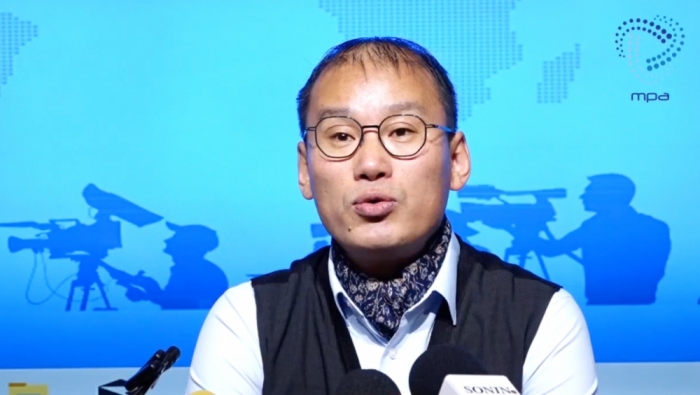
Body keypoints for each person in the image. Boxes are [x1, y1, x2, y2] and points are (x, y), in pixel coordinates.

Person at [186, 37, 597, 395]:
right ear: (304, 170)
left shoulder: (542, 318)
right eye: (340, 136)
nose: (370, 164)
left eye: (401, 131)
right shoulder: (247, 320)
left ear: (456, 160)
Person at [534, 174, 671, 305]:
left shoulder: (651, 227)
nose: (582, 196)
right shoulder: (593, 225)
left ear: (608, 196)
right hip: (601, 303)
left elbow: (553, 249)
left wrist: (530, 236)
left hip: (636, 304)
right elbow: (553, 250)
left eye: (589, 191)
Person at [116, 222, 228, 309]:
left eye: (176, 237)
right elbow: (174, 300)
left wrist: (148, 292)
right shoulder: (190, 269)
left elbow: (181, 304)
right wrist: (149, 289)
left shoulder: (200, 272)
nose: (167, 240)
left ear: (188, 245)